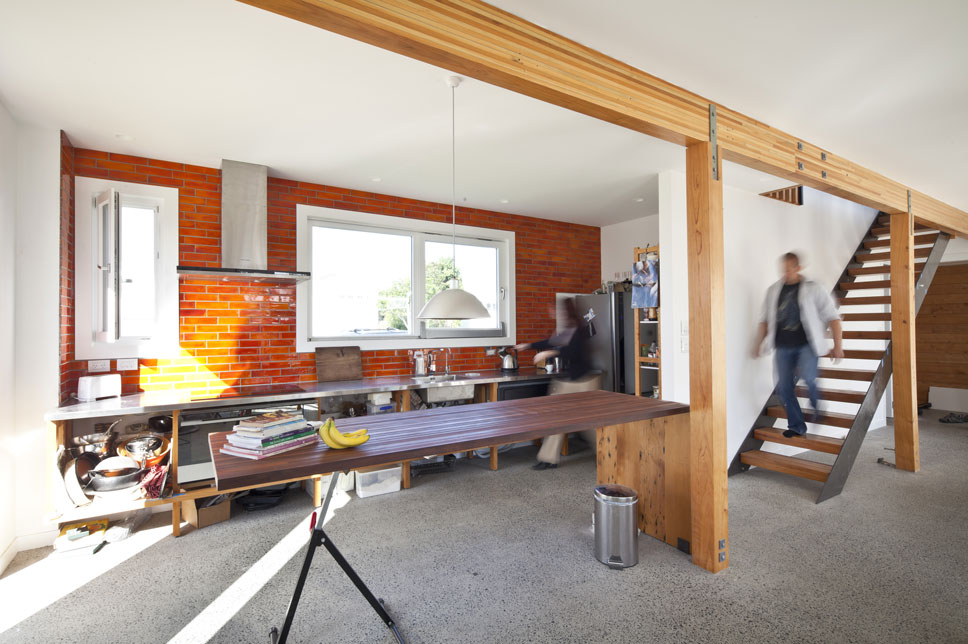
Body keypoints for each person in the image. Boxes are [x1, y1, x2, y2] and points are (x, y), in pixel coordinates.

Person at [752, 252, 844, 438]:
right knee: (784, 388)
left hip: (807, 345)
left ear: (798, 268)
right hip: (782, 346)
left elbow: (833, 317)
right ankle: (796, 426)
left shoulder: (814, 288)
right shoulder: (773, 291)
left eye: (789, 269)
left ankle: (816, 402)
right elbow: (764, 320)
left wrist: (838, 346)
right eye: (783, 270)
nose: (785, 273)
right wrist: (758, 344)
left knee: (808, 378)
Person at [516, 298, 601, 470]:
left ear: (565, 312)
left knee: (589, 424)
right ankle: (548, 459)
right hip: (572, 381)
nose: (552, 313)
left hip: (583, 382)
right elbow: (551, 341)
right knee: (557, 419)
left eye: (555, 311)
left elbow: (571, 352)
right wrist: (528, 346)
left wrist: (548, 353)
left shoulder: (579, 331)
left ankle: (606, 451)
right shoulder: (568, 331)